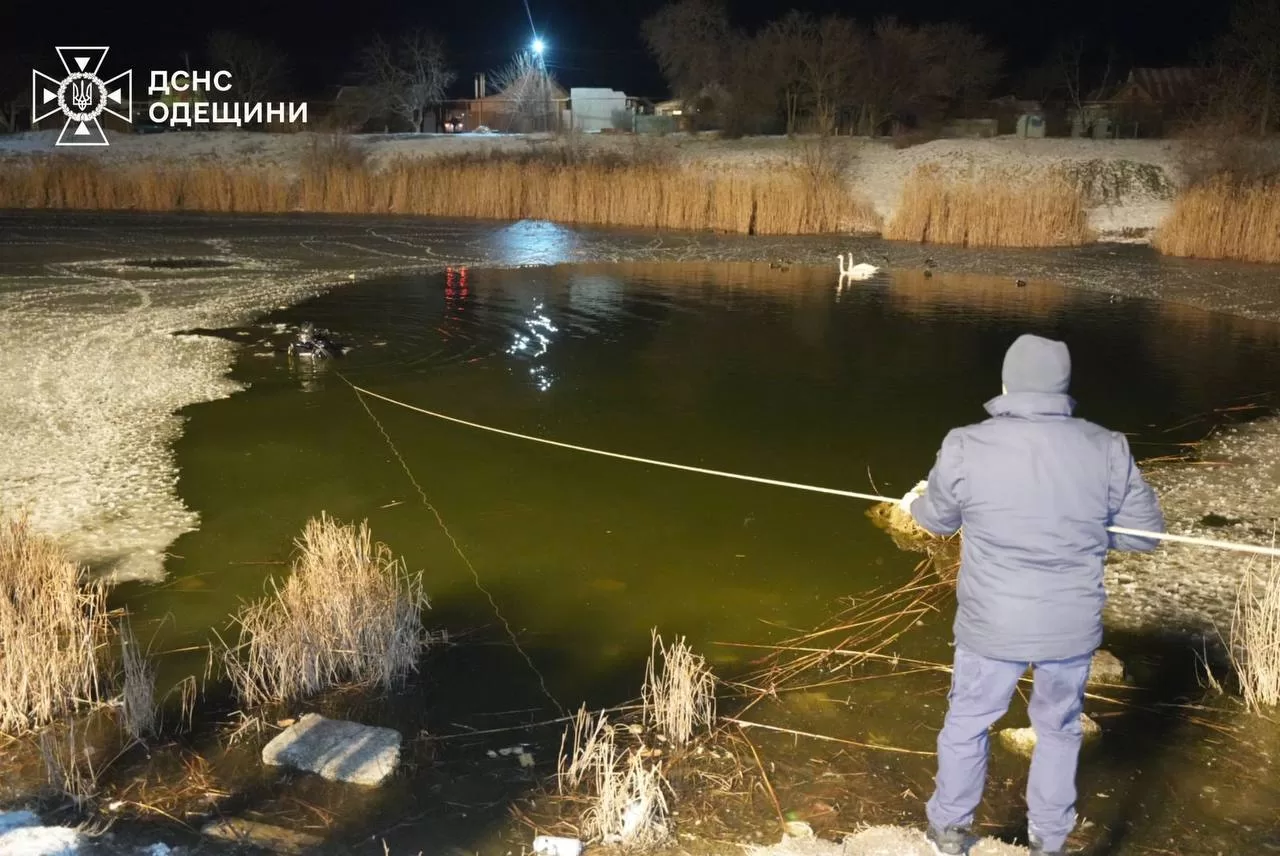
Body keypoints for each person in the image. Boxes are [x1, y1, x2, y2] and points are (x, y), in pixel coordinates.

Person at [899, 333, 1165, 856]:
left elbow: (935, 519)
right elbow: (1145, 534)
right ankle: (1050, 841)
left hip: (989, 625)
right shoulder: (1107, 446)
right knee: (1060, 728)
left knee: (968, 723)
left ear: (1006, 383)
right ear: (1063, 386)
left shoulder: (965, 442)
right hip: (1069, 627)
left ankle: (950, 832)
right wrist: (1083, 529)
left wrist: (914, 505)